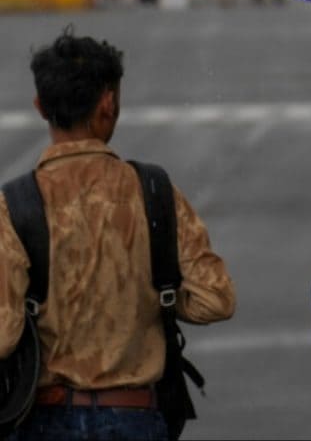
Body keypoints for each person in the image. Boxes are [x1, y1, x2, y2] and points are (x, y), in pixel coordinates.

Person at [0, 27, 236, 440]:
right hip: (136, 418)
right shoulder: (155, 193)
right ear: (108, 103)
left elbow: (4, 334)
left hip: (45, 420)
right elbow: (215, 300)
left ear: (40, 106)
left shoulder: (12, 205)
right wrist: (154, 295)